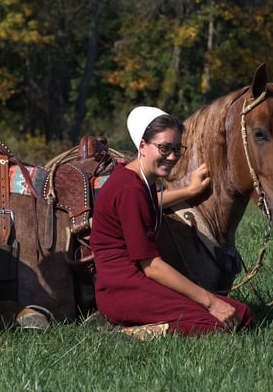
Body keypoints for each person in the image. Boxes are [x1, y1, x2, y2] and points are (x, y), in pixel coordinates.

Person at [90, 106, 252, 336]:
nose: (173, 156)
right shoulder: (130, 189)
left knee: (241, 314)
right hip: (124, 290)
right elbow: (152, 267)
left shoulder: (136, 180)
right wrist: (210, 302)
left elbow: (148, 205)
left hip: (136, 285)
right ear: (143, 146)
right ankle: (129, 334)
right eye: (165, 148)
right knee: (215, 324)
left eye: (177, 149)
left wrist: (190, 190)